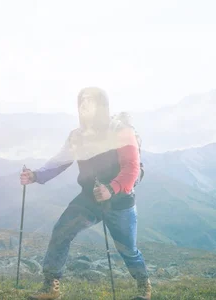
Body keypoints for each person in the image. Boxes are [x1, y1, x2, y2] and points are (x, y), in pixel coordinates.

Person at [20, 87, 151, 300]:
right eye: (81, 102)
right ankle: (50, 287)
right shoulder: (77, 136)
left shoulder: (121, 131)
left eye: (90, 102)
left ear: (102, 106)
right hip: (90, 198)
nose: (84, 107)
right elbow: (60, 160)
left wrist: (111, 189)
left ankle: (143, 287)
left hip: (120, 199)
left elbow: (132, 167)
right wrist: (36, 175)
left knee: (128, 249)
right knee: (62, 231)